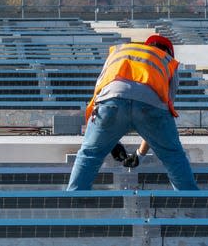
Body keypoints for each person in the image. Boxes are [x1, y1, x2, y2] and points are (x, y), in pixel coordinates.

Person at [67, 35, 198, 190]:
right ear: (169, 52)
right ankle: (189, 202)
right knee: (173, 156)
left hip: (110, 103)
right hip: (150, 107)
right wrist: (140, 155)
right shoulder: (166, 61)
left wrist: (112, 144)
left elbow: (98, 96)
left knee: (90, 154)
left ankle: (74, 199)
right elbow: (162, 112)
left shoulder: (120, 53)